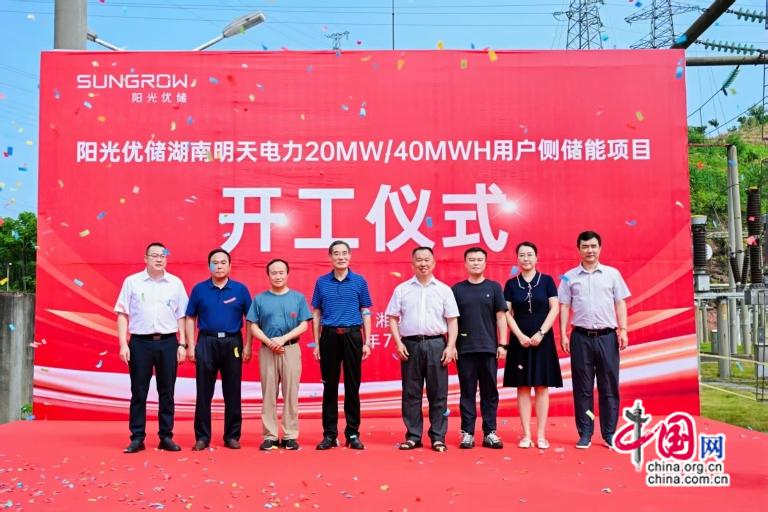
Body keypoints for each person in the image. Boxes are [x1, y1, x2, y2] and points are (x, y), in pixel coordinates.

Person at [558, 231, 630, 449]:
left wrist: (623, 329)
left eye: (593, 246)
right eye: (585, 246)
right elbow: (564, 306)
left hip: (607, 337)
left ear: (600, 248)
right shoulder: (569, 277)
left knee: (609, 387)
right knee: (583, 388)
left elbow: (620, 303)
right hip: (581, 337)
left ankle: (609, 433)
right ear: (578, 249)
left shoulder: (612, 274)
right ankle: (585, 433)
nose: (589, 250)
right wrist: (563, 334)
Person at [115, 242, 188, 454]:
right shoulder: (132, 282)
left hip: (168, 342)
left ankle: (166, 436)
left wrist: (182, 343)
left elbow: (181, 315)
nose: (159, 259)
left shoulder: (175, 283)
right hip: (140, 343)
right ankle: (137, 437)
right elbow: (122, 313)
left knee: (167, 391)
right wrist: (123, 344)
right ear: (145, 258)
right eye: (154, 255)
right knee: (139, 391)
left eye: (163, 255)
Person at [387, 246, 459, 453]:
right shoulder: (402, 289)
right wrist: (398, 343)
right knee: (411, 393)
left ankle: (438, 437)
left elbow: (452, 320)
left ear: (434, 263)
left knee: (438, 393)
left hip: (437, 344)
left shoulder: (444, 290)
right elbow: (393, 317)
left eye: (427, 259)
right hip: (410, 345)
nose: (423, 263)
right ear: (412, 264)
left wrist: (451, 346)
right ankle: (413, 436)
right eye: (419, 260)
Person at [185, 248, 252, 451]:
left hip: (233, 343)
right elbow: (190, 317)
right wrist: (191, 345)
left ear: (230, 266)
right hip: (206, 341)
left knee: (232, 391)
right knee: (203, 391)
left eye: (223, 262)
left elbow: (250, 319)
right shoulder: (199, 289)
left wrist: (248, 345)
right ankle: (202, 437)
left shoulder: (240, 289)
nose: (219, 266)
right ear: (209, 266)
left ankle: (231, 436)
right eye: (215, 262)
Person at [311, 240, 373, 450]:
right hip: (329, 337)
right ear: (330, 257)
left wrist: (367, 341)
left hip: (352, 336)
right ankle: (329, 435)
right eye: (336, 253)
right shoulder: (322, 282)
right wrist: (317, 343)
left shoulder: (359, 281)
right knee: (329, 387)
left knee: (352, 386)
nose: (341, 257)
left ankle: (352, 433)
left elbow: (365, 311)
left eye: (344, 253)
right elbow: (316, 313)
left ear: (350, 256)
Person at [247, 259, 313, 451]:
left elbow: (304, 324)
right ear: (268, 275)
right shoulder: (260, 299)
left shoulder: (298, 298)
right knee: (269, 393)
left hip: (290, 348)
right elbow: (253, 325)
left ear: (287, 274)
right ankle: (270, 436)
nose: (278, 276)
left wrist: (283, 339)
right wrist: (269, 341)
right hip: (267, 350)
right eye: (274, 273)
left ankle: (290, 435)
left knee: (291, 393)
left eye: (281, 272)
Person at [503, 241, 563, 450]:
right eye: (522, 255)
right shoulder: (511, 284)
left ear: (537, 258)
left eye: (529, 254)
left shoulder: (546, 281)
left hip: (542, 339)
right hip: (519, 341)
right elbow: (506, 313)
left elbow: (554, 308)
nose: (526, 258)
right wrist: (519, 335)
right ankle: (526, 435)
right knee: (522, 386)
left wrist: (541, 333)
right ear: (517, 259)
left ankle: (541, 435)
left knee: (541, 386)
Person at [452, 247, 508, 449]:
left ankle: (490, 432)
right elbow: (452, 320)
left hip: (489, 348)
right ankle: (467, 433)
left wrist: (503, 344)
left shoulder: (494, 287)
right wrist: (452, 345)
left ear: (485, 263)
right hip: (465, 350)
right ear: (465, 263)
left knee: (489, 392)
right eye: (472, 259)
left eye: (479, 259)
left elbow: (501, 317)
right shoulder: (457, 289)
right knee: (467, 392)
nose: (475, 263)